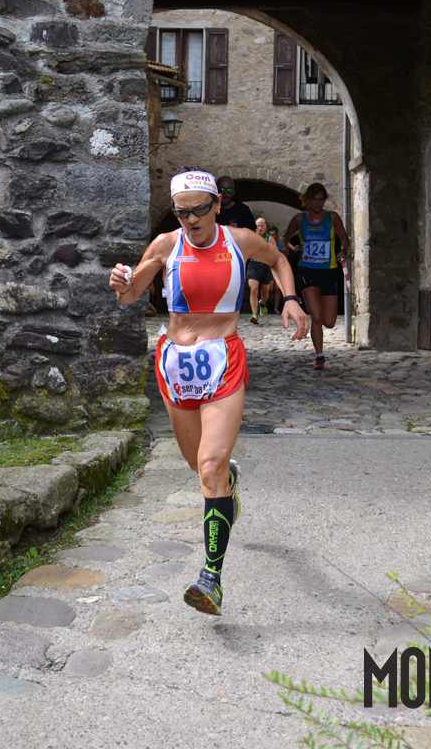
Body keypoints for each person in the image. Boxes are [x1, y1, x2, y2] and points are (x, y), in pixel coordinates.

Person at [109, 170, 309, 615]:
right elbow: (131, 294)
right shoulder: (165, 245)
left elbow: (278, 260)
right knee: (198, 468)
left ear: (217, 204)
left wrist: (292, 299)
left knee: (211, 464)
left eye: (200, 209)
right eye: (182, 212)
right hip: (175, 365)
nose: (192, 219)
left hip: (224, 361)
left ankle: (210, 578)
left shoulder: (239, 241)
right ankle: (226, 486)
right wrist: (122, 285)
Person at [284, 183, 349, 370]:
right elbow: (285, 238)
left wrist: (343, 251)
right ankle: (319, 356)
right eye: (314, 200)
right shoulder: (299, 219)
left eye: (321, 199)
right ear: (308, 200)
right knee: (318, 317)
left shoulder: (332, 217)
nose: (318, 203)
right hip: (307, 270)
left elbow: (345, 238)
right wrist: (291, 248)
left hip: (329, 271)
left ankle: (318, 339)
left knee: (329, 322)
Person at [245, 217, 279, 325]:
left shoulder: (269, 238)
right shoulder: (251, 236)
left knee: (265, 293)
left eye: (261, 226)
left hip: (265, 266)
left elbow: (275, 253)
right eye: (258, 226)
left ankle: (262, 304)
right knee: (253, 288)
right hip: (253, 265)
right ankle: (254, 314)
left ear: (265, 227)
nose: (259, 228)